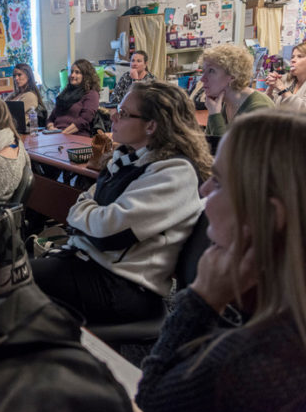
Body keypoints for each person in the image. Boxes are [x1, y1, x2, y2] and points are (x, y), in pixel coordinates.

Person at [136, 110, 306, 412]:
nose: (204, 191)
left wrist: (202, 299)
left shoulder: (257, 360)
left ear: (267, 219)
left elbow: (153, 399)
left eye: (220, 183)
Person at [32, 81, 212, 323]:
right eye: (118, 109)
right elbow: (84, 205)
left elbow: (106, 233)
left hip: (122, 287)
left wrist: (86, 211)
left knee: (8, 285)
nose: (113, 117)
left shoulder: (174, 172)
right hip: (92, 265)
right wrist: (89, 211)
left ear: (151, 125)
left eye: (124, 114)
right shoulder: (126, 158)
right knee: (6, 281)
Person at [201, 43, 273, 136]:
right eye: (204, 71)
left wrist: (214, 115)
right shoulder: (226, 102)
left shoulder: (259, 109)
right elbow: (209, 145)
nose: (202, 78)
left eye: (211, 71)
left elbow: (225, 149)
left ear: (233, 75)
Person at [46, 59, 100, 136]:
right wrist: (51, 128)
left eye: (77, 72)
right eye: (71, 72)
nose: (72, 75)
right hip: (57, 135)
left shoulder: (91, 94)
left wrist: (63, 133)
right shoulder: (65, 93)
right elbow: (51, 118)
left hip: (76, 136)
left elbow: (84, 120)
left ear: (86, 76)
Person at [266, 41, 306, 111]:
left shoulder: (282, 85)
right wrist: (270, 90)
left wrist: (282, 89)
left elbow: (303, 110)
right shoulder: (286, 79)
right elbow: (269, 105)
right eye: (292, 57)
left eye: (299, 56)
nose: (293, 60)